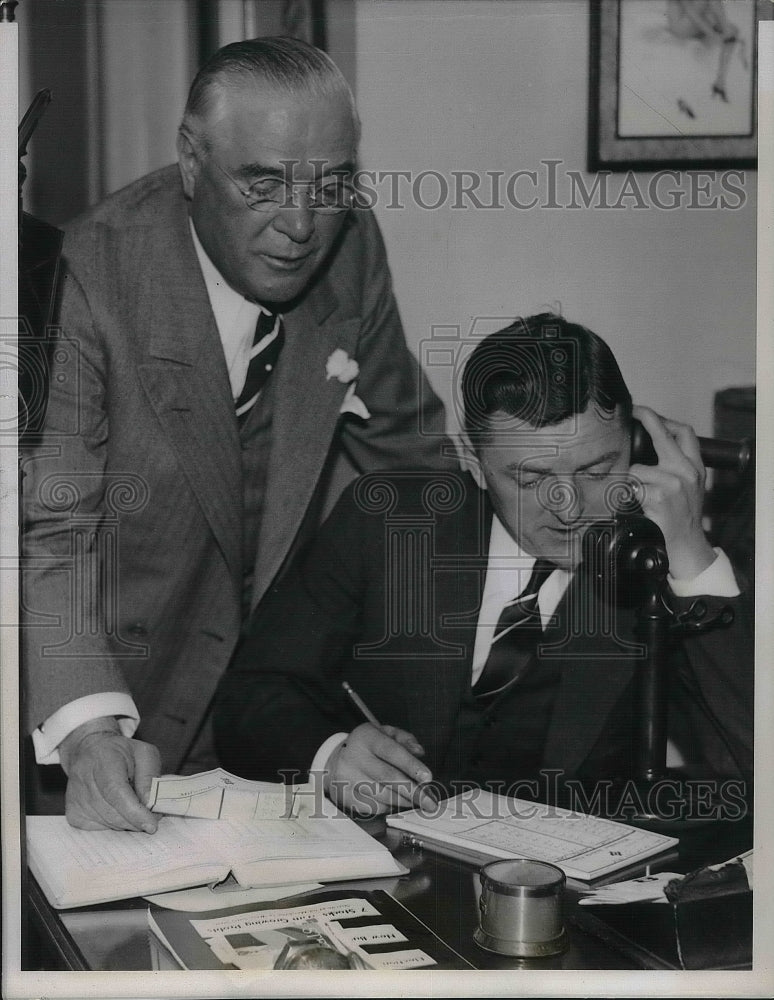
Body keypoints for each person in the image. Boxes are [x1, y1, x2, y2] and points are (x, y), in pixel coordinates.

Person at [22, 37, 453, 832]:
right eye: (263, 182)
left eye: (329, 185)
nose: (300, 224)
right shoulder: (83, 275)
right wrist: (86, 733)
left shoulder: (350, 249)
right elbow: (50, 535)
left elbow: (416, 461)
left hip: (261, 727)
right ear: (191, 162)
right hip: (103, 717)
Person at [213, 314, 752, 817]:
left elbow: (753, 763)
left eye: (596, 469)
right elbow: (251, 695)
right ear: (472, 460)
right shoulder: (385, 522)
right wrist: (329, 757)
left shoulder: (659, 566)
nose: (567, 506)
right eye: (530, 479)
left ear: (635, 448)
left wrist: (692, 559)